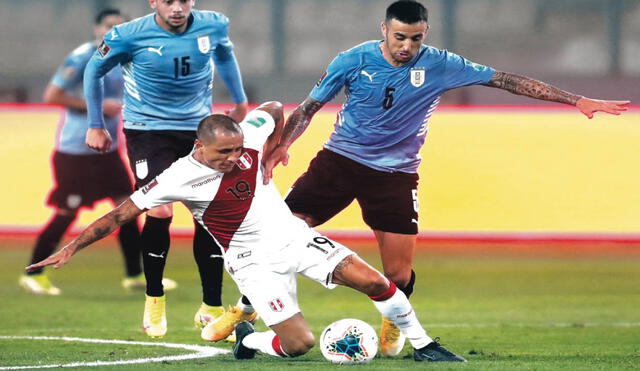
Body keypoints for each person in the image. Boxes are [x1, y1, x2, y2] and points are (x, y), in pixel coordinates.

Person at [262, 0, 631, 357]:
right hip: (340, 162)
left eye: (416, 38)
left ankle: (393, 320)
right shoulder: (353, 59)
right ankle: (249, 309)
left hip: (396, 174)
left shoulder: (442, 64)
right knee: (282, 232)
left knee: (398, 273)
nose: (408, 46)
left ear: (425, 34)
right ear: (384, 31)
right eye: (400, 37)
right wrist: (282, 144)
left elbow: (506, 80)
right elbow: (310, 107)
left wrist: (576, 100)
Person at [26, 102, 465, 363]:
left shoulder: (247, 143)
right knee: (298, 345)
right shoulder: (178, 177)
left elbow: (273, 107)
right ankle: (250, 338)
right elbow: (119, 215)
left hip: (294, 238)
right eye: (224, 153)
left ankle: (425, 345)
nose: (235, 158)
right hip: (252, 262)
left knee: (376, 281)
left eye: (238, 149)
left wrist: (274, 148)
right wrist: (70, 249)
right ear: (200, 147)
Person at [83, 0, 250, 338]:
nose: (177, 8)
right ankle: (154, 298)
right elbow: (93, 70)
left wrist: (240, 97)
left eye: (184, 0)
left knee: (209, 211)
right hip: (147, 130)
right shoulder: (127, 35)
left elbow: (224, 55)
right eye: (168, 1)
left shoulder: (214, 25)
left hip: (196, 130)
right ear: (153, 2)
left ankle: (211, 308)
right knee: (159, 211)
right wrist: (95, 123)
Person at [18, 8, 176, 295]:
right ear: (97, 29)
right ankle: (34, 273)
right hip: (76, 152)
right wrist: (99, 109)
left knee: (128, 208)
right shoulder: (83, 57)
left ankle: (134, 275)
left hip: (108, 151)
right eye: (109, 26)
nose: (114, 31)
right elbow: (52, 95)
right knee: (67, 212)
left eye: (120, 26)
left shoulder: (128, 55)